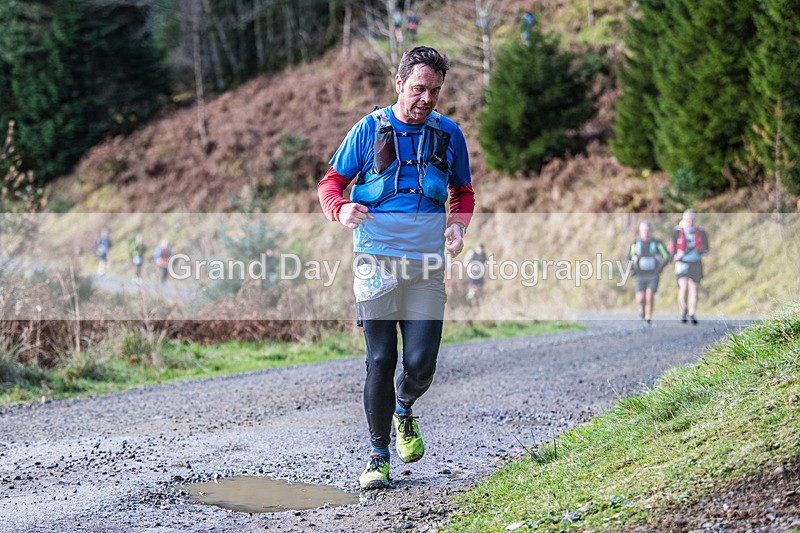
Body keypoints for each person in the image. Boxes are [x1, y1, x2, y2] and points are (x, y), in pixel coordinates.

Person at [317, 47, 474, 490]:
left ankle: (404, 408)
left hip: (426, 264)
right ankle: (378, 456)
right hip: (376, 260)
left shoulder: (449, 134)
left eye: (435, 91)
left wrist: (458, 226)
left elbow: (463, 191)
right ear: (399, 83)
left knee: (421, 365)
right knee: (381, 359)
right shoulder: (368, 130)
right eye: (419, 88)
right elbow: (330, 183)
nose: (427, 99)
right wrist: (340, 208)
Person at [669, 209, 710, 325]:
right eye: (688, 220)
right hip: (682, 263)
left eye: (692, 220)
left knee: (695, 290)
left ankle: (692, 313)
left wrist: (702, 250)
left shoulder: (701, 232)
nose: (690, 222)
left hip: (695, 263)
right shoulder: (677, 231)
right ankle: (683, 310)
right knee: (684, 286)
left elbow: (706, 248)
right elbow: (672, 246)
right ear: (683, 219)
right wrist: (673, 256)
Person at [628, 221, 670, 324]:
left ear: (651, 231)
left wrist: (660, 267)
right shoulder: (636, 243)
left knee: (650, 294)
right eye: (643, 231)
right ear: (640, 232)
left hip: (653, 274)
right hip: (640, 274)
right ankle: (642, 309)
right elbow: (629, 258)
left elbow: (666, 256)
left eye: (648, 231)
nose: (646, 233)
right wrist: (632, 270)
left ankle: (648, 317)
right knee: (640, 298)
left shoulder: (657, 243)